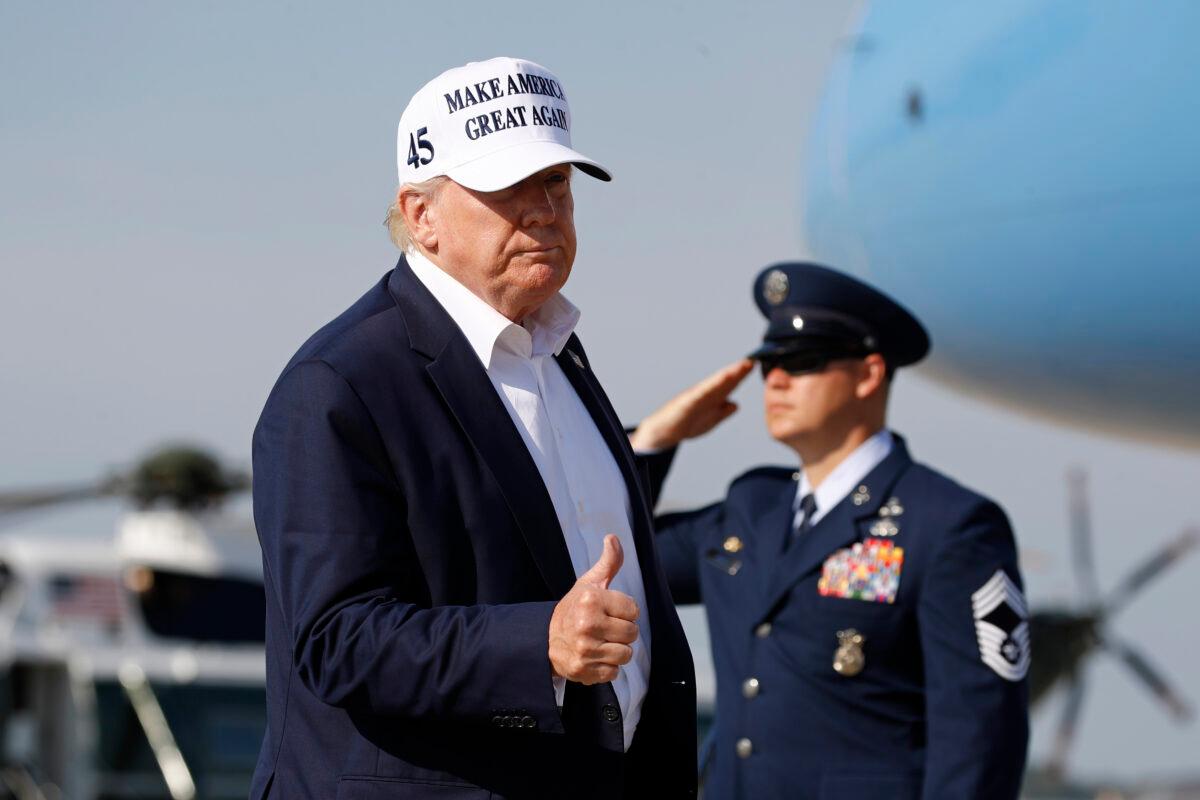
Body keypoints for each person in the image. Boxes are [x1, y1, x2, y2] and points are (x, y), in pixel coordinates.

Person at [250, 57, 696, 800]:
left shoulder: (556, 355)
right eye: (506, 188)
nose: (544, 211)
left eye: (556, 183)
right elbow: (337, 640)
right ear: (420, 215)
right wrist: (540, 645)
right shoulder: (338, 386)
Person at [630, 262, 1030, 800]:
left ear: (868, 374)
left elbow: (980, 739)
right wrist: (651, 442)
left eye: (802, 361)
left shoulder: (949, 524)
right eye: (769, 362)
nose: (775, 379)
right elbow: (614, 555)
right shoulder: (750, 512)